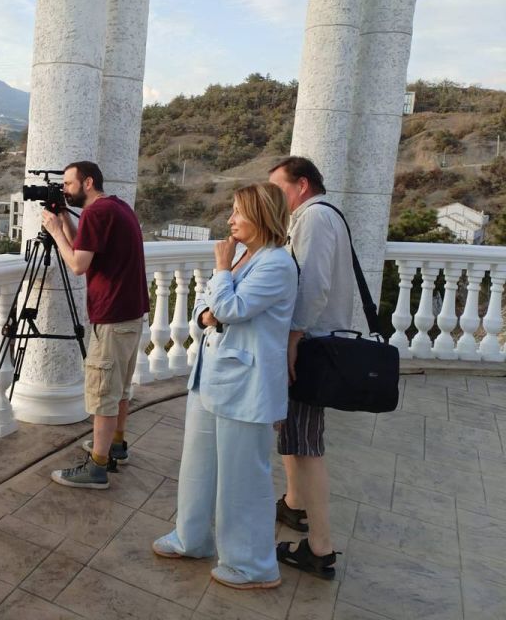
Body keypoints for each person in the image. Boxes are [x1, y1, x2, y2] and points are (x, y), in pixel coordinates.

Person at [152, 183, 298, 590]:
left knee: (242, 478)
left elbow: (229, 309)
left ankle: (253, 566)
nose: (230, 219)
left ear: (262, 216)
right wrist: (213, 304)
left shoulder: (277, 264)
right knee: (196, 465)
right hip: (212, 377)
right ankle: (191, 538)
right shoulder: (244, 258)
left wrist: (220, 272)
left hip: (247, 387)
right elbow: (205, 310)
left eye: (238, 212)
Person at [268, 156, 353, 580]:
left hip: (311, 345)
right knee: (297, 434)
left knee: (307, 445)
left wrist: (293, 340)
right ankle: (294, 504)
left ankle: (321, 548)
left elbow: (313, 284)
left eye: (279, 189)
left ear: (301, 185)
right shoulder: (327, 215)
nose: (276, 199)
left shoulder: (314, 218)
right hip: (317, 341)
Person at [40, 161, 149, 490]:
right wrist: (65, 224)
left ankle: (97, 467)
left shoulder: (96, 213)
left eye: (69, 184)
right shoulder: (115, 206)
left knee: (104, 392)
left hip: (113, 316)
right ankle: (115, 445)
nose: (65, 190)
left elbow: (76, 264)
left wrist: (56, 231)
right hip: (130, 313)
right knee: (119, 388)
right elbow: (87, 249)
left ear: (88, 182)